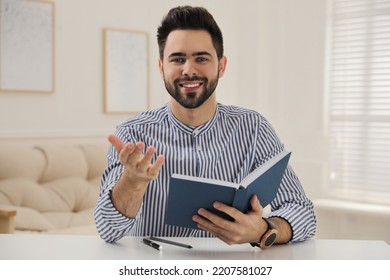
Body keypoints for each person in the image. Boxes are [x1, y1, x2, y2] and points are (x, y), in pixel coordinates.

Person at [94, 5, 316, 247]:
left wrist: (263, 229)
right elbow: (107, 230)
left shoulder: (254, 128)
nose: (189, 70)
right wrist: (133, 182)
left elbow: (303, 212)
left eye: (201, 58)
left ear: (221, 66)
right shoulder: (132, 134)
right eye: (178, 59)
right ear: (161, 68)